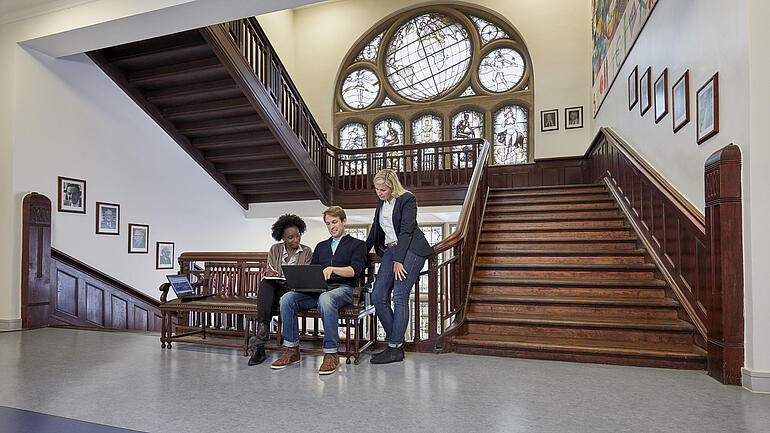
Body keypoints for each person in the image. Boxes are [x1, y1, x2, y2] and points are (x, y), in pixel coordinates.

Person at [271, 206, 366, 375]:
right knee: (287, 299)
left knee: (326, 299)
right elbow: (313, 270)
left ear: (344, 221)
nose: (331, 227)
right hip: (319, 289)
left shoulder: (357, 245)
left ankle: (331, 353)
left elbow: (354, 271)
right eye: (328, 224)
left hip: (343, 289)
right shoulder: (321, 246)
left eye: (334, 222)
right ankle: (292, 351)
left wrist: (332, 269)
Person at [366, 169, 432, 364]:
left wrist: (398, 260)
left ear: (392, 186)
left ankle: (394, 348)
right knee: (378, 296)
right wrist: (360, 252)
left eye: (383, 189)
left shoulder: (407, 199)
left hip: (410, 250)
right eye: (377, 189)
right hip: (389, 250)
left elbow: (406, 232)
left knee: (400, 295)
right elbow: (375, 229)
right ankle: (397, 341)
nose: (379, 193)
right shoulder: (381, 202)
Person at [248, 214, 313, 366]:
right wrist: (268, 273)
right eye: (290, 237)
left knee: (271, 295)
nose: (295, 240)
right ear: (283, 237)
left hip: (293, 290)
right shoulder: (275, 249)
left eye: (298, 236)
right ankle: (263, 330)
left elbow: (305, 276)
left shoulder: (307, 251)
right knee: (265, 284)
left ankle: (259, 346)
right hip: (274, 287)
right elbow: (270, 270)